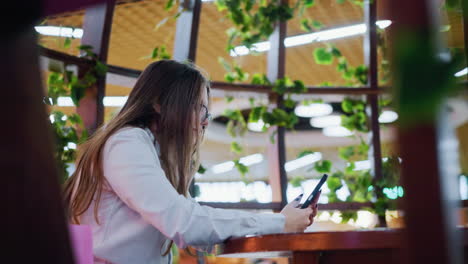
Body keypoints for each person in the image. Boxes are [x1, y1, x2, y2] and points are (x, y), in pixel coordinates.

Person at [63, 60, 320, 264]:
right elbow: (184, 223)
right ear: (160, 104)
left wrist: (283, 221)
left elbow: (198, 233)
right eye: (199, 107)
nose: (205, 120)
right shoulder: (127, 143)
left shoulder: (150, 149)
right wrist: (279, 222)